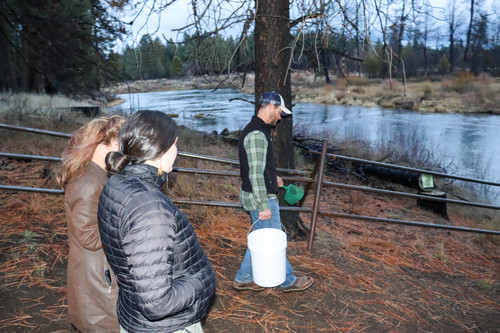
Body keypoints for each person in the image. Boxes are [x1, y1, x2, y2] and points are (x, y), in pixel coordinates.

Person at [97, 110, 216, 333]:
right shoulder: (150, 209)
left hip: (134, 315)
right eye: (175, 145)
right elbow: (157, 304)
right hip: (166, 327)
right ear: (161, 151)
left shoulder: (117, 184)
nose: (177, 152)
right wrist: (202, 280)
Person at [234, 91, 315, 293]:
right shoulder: (256, 134)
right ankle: (287, 280)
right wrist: (263, 206)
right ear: (271, 106)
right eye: (279, 112)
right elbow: (254, 174)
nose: (280, 117)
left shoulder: (259, 131)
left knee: (262, 239)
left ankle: (243, 278)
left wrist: (274, 177)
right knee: (274, 241)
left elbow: (261, 167)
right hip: (261, 198)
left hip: (261, 194)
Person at [57, 115, 124, 332]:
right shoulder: (87, 182)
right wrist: (127, 229)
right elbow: (88, 236)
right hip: (97, 275)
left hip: (101, 269)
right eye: (118, 142)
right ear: (101, 145)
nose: (123, 148)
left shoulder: (100, 174)